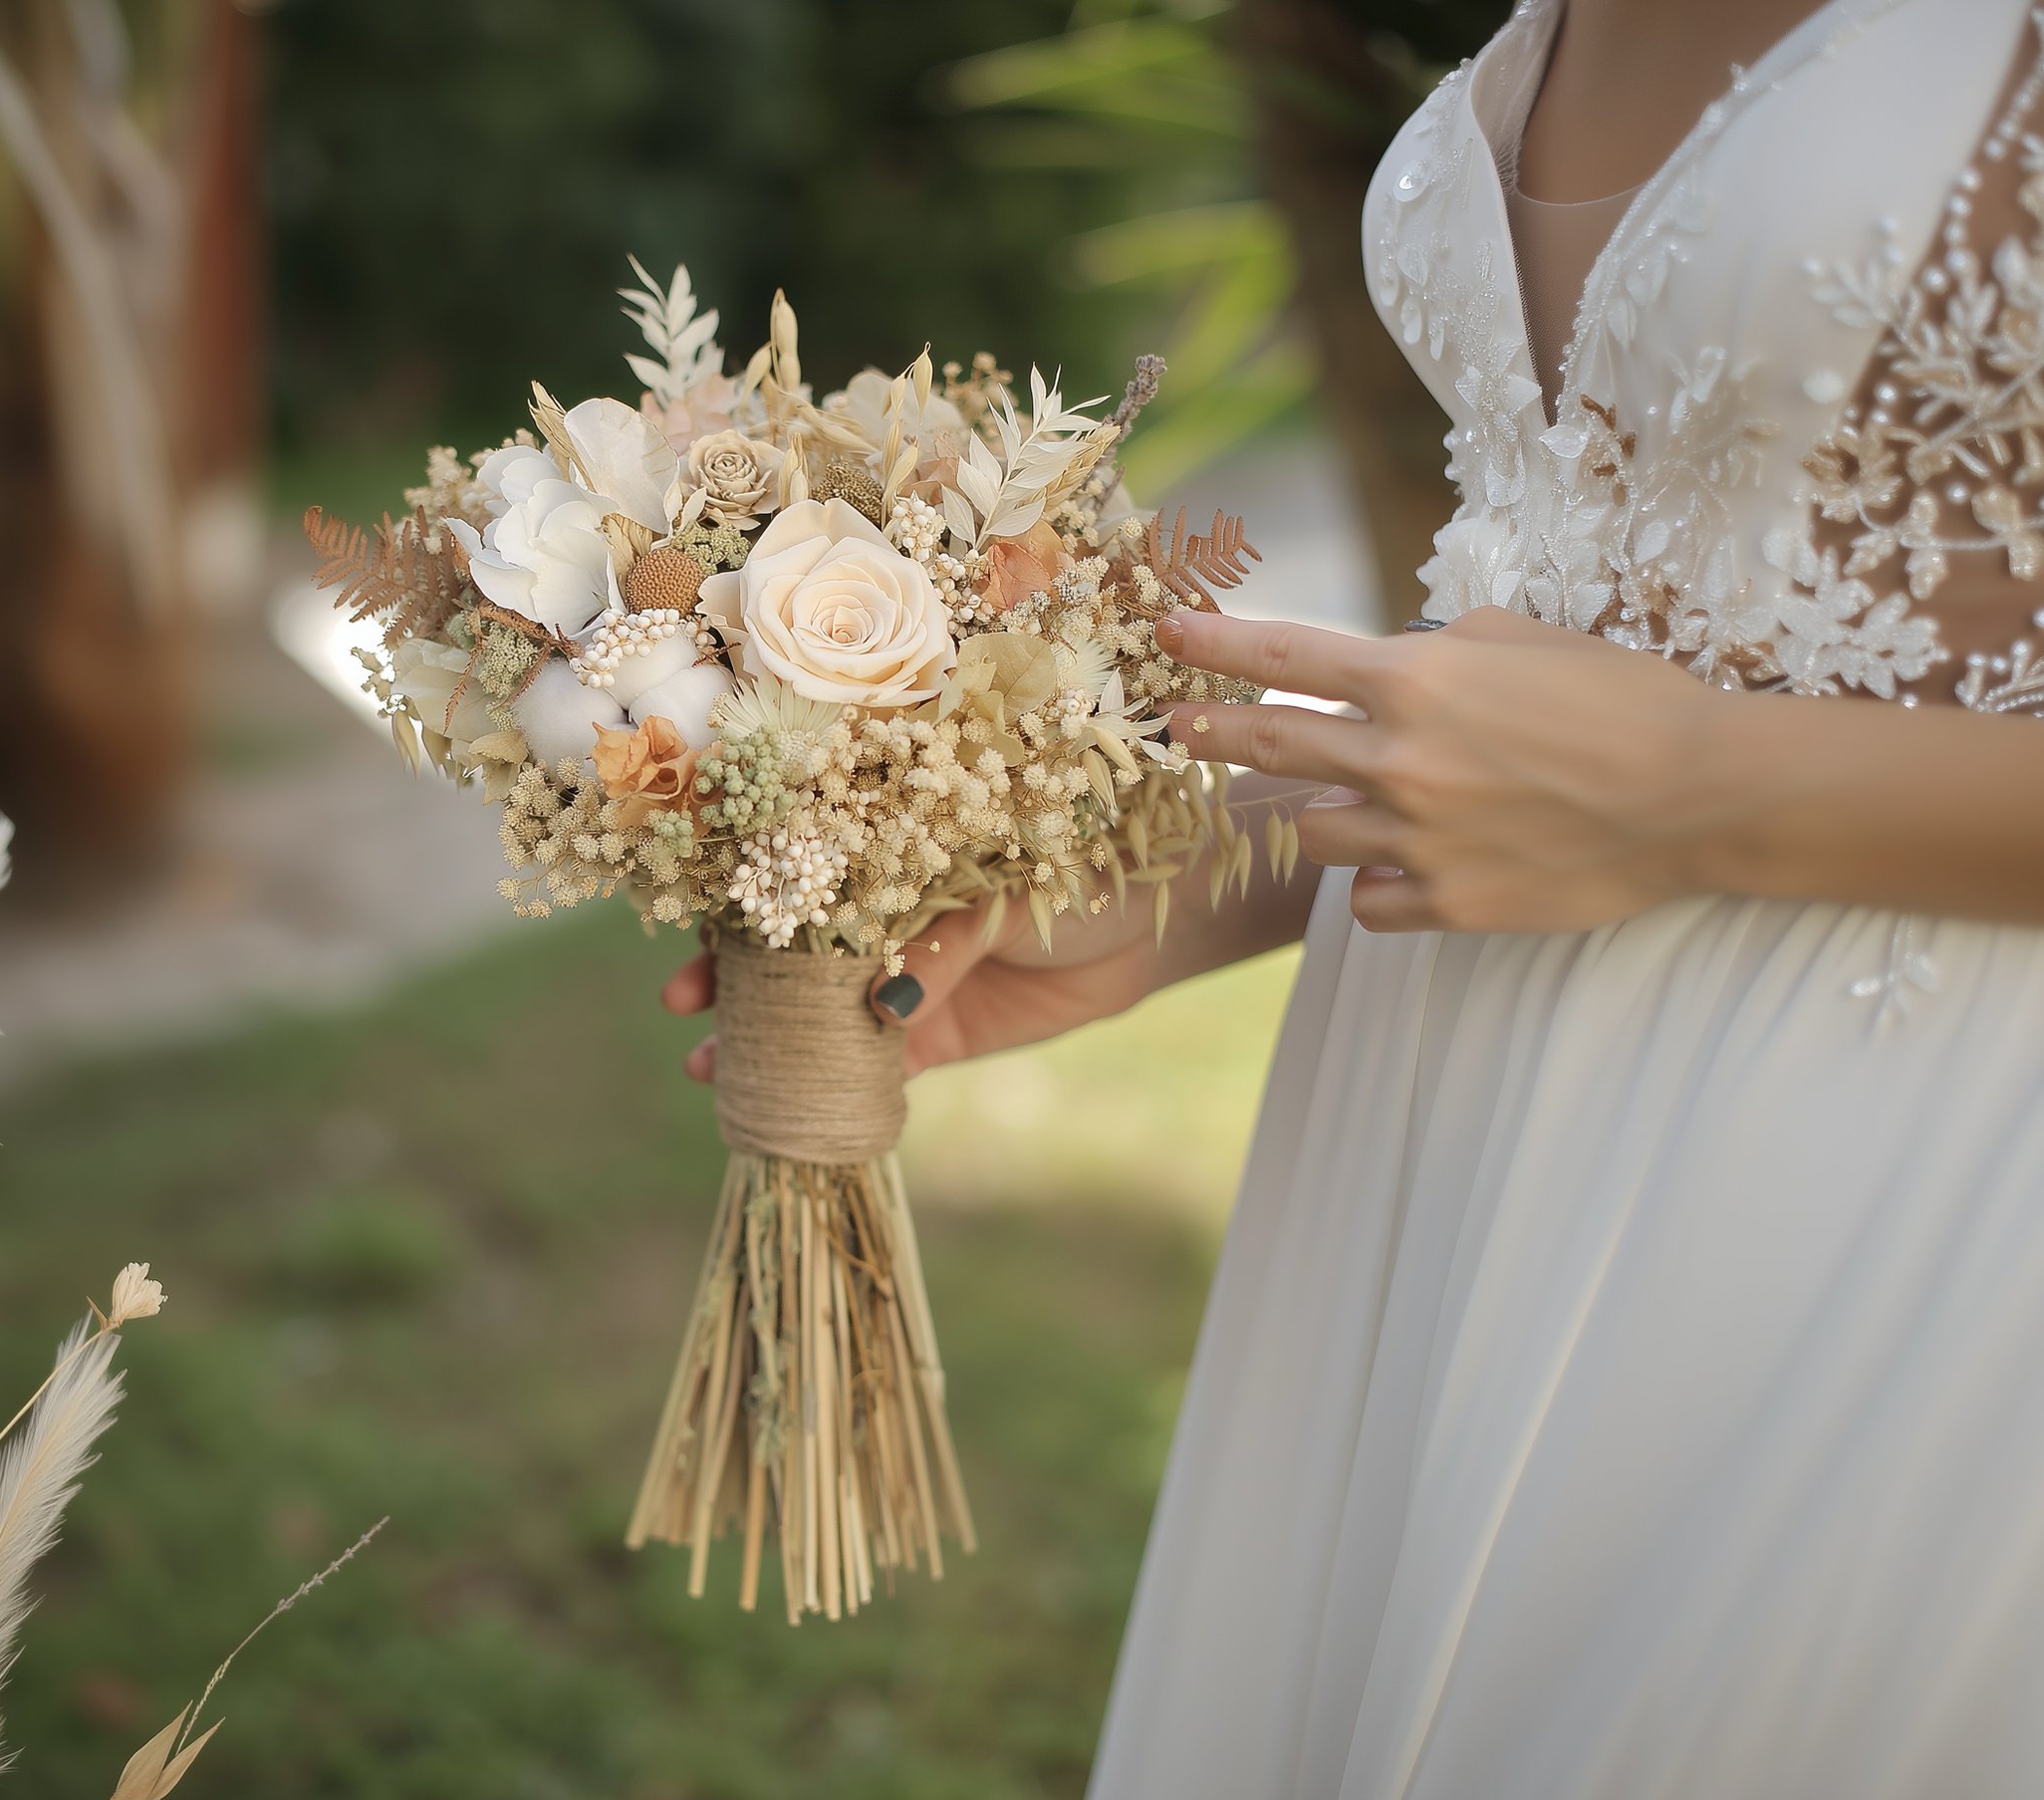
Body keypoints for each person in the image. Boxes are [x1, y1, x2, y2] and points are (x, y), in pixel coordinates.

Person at [667, 0, 2044, 1791]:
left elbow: (1683, 732)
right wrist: (1204, 873)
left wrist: (1706, 793)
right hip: (1430, 1134)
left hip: (1913, 1171)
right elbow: (1595, 616)